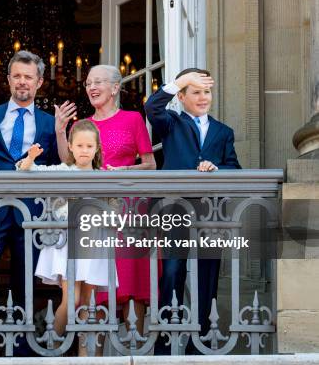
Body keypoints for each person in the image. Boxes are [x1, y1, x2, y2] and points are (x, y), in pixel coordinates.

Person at [145, 68, 241, 354]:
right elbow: (152, 106)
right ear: (182, 96)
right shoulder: (171, 122)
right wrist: (181, 81)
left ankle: (200, 345)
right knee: (173, 271)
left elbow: (234, 168)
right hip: (176, 209)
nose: (202, 97)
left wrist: (217, 168)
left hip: (211, 213)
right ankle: (165, 344)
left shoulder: (224, 132)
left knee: (207, 276)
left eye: (206, 91)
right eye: (195, 91)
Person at [0, 50, 63, 355]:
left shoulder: (51, 124)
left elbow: (60, 165)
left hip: (31, 209)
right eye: (17, 76)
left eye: (29, 77)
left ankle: (24, 345)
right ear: (8, 79)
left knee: (26, 276)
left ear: (39, 82)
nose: (22, 82)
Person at [58, 65, 156, 337]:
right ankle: (93, 355)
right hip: (92, 212)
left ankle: (134, 351)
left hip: (129, 208)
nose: (92, 87)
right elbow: (68, 165)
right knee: (96, 290)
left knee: (131, 285)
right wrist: (60, 130)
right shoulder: (81, 126)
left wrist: (122, 171)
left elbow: (150, 165)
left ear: (115, 88)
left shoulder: (133, 118)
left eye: (99, 82)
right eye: (89, 82)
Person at [17, 120, 114, 356]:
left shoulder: (103, 176)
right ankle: (50, 349)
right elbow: (26, 169)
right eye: (79, 145)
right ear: (70, 146)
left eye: (89, 146)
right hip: (67, 242)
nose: (84, 150)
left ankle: (86, 355)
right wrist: (30, 158)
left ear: (97, 148)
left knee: (90, 302)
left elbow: (113, 208)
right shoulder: (63, 170)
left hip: (94, 243)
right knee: (72, 299)